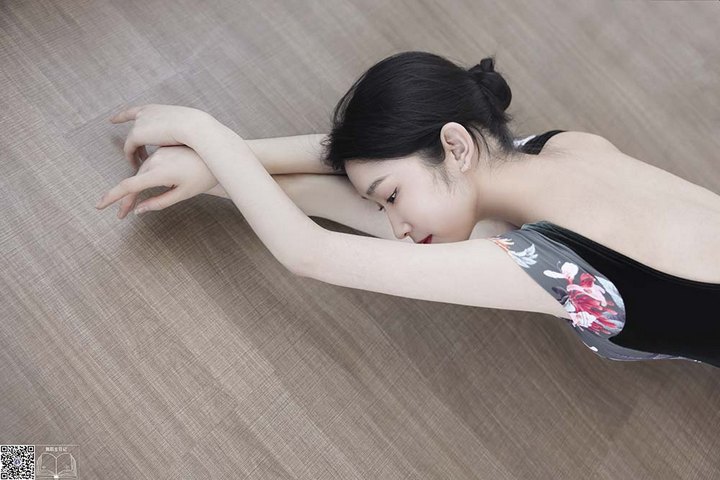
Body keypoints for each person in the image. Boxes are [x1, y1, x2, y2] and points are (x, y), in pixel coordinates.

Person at [108, 51, 720, 368]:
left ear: (456, 145)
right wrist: (219, 169)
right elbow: (368, 165)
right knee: (469, 225)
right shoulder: (562, 149)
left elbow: (311, 252)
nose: (396, 224)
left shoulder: (565, 270)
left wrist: (207, 132)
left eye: (393, 196)